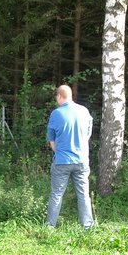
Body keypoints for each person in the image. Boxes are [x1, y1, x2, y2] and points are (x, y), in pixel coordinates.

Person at [46, 85, 94, 229]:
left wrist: (58, 151)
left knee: (56, 194)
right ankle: (88, 226)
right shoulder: (84, 111)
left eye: (56, 97)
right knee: (83, 194)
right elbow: (87, 135)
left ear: (60, 96)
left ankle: (49, 226)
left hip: (62, 161)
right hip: (81, 160)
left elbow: (51, 140)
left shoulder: (56, 113)